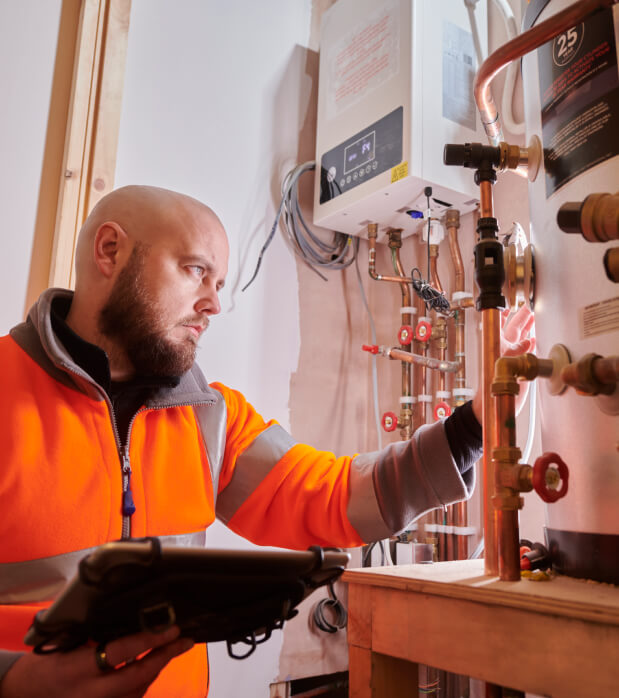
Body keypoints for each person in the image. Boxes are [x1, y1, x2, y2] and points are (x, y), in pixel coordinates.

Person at [0, 186, 534, 697]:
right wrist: (11, 682)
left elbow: (333, 493)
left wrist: (474, 423)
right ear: (110, 250)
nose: (213, 303)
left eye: (220, 283)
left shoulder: (211, 416)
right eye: (195, 270)